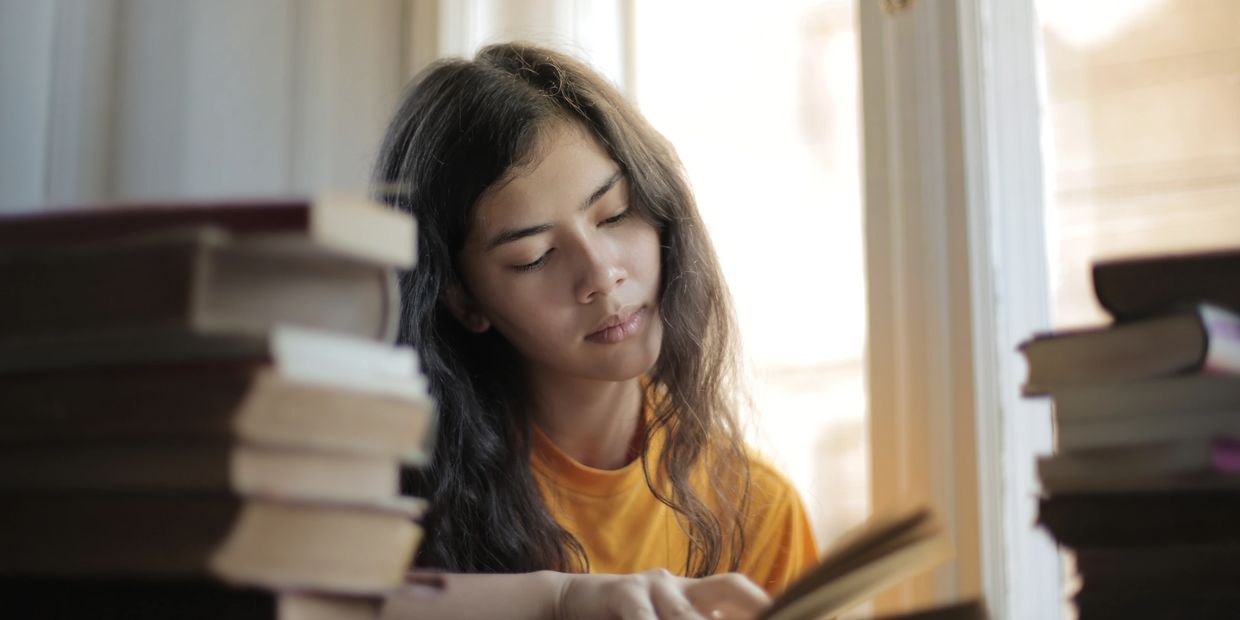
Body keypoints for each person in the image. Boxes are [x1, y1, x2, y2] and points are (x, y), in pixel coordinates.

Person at [372, 42, 818, 619]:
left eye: (614, 214)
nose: (602, 276)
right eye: (534, 256)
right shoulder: (380, 488)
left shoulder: (755, 510)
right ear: (463, 300)